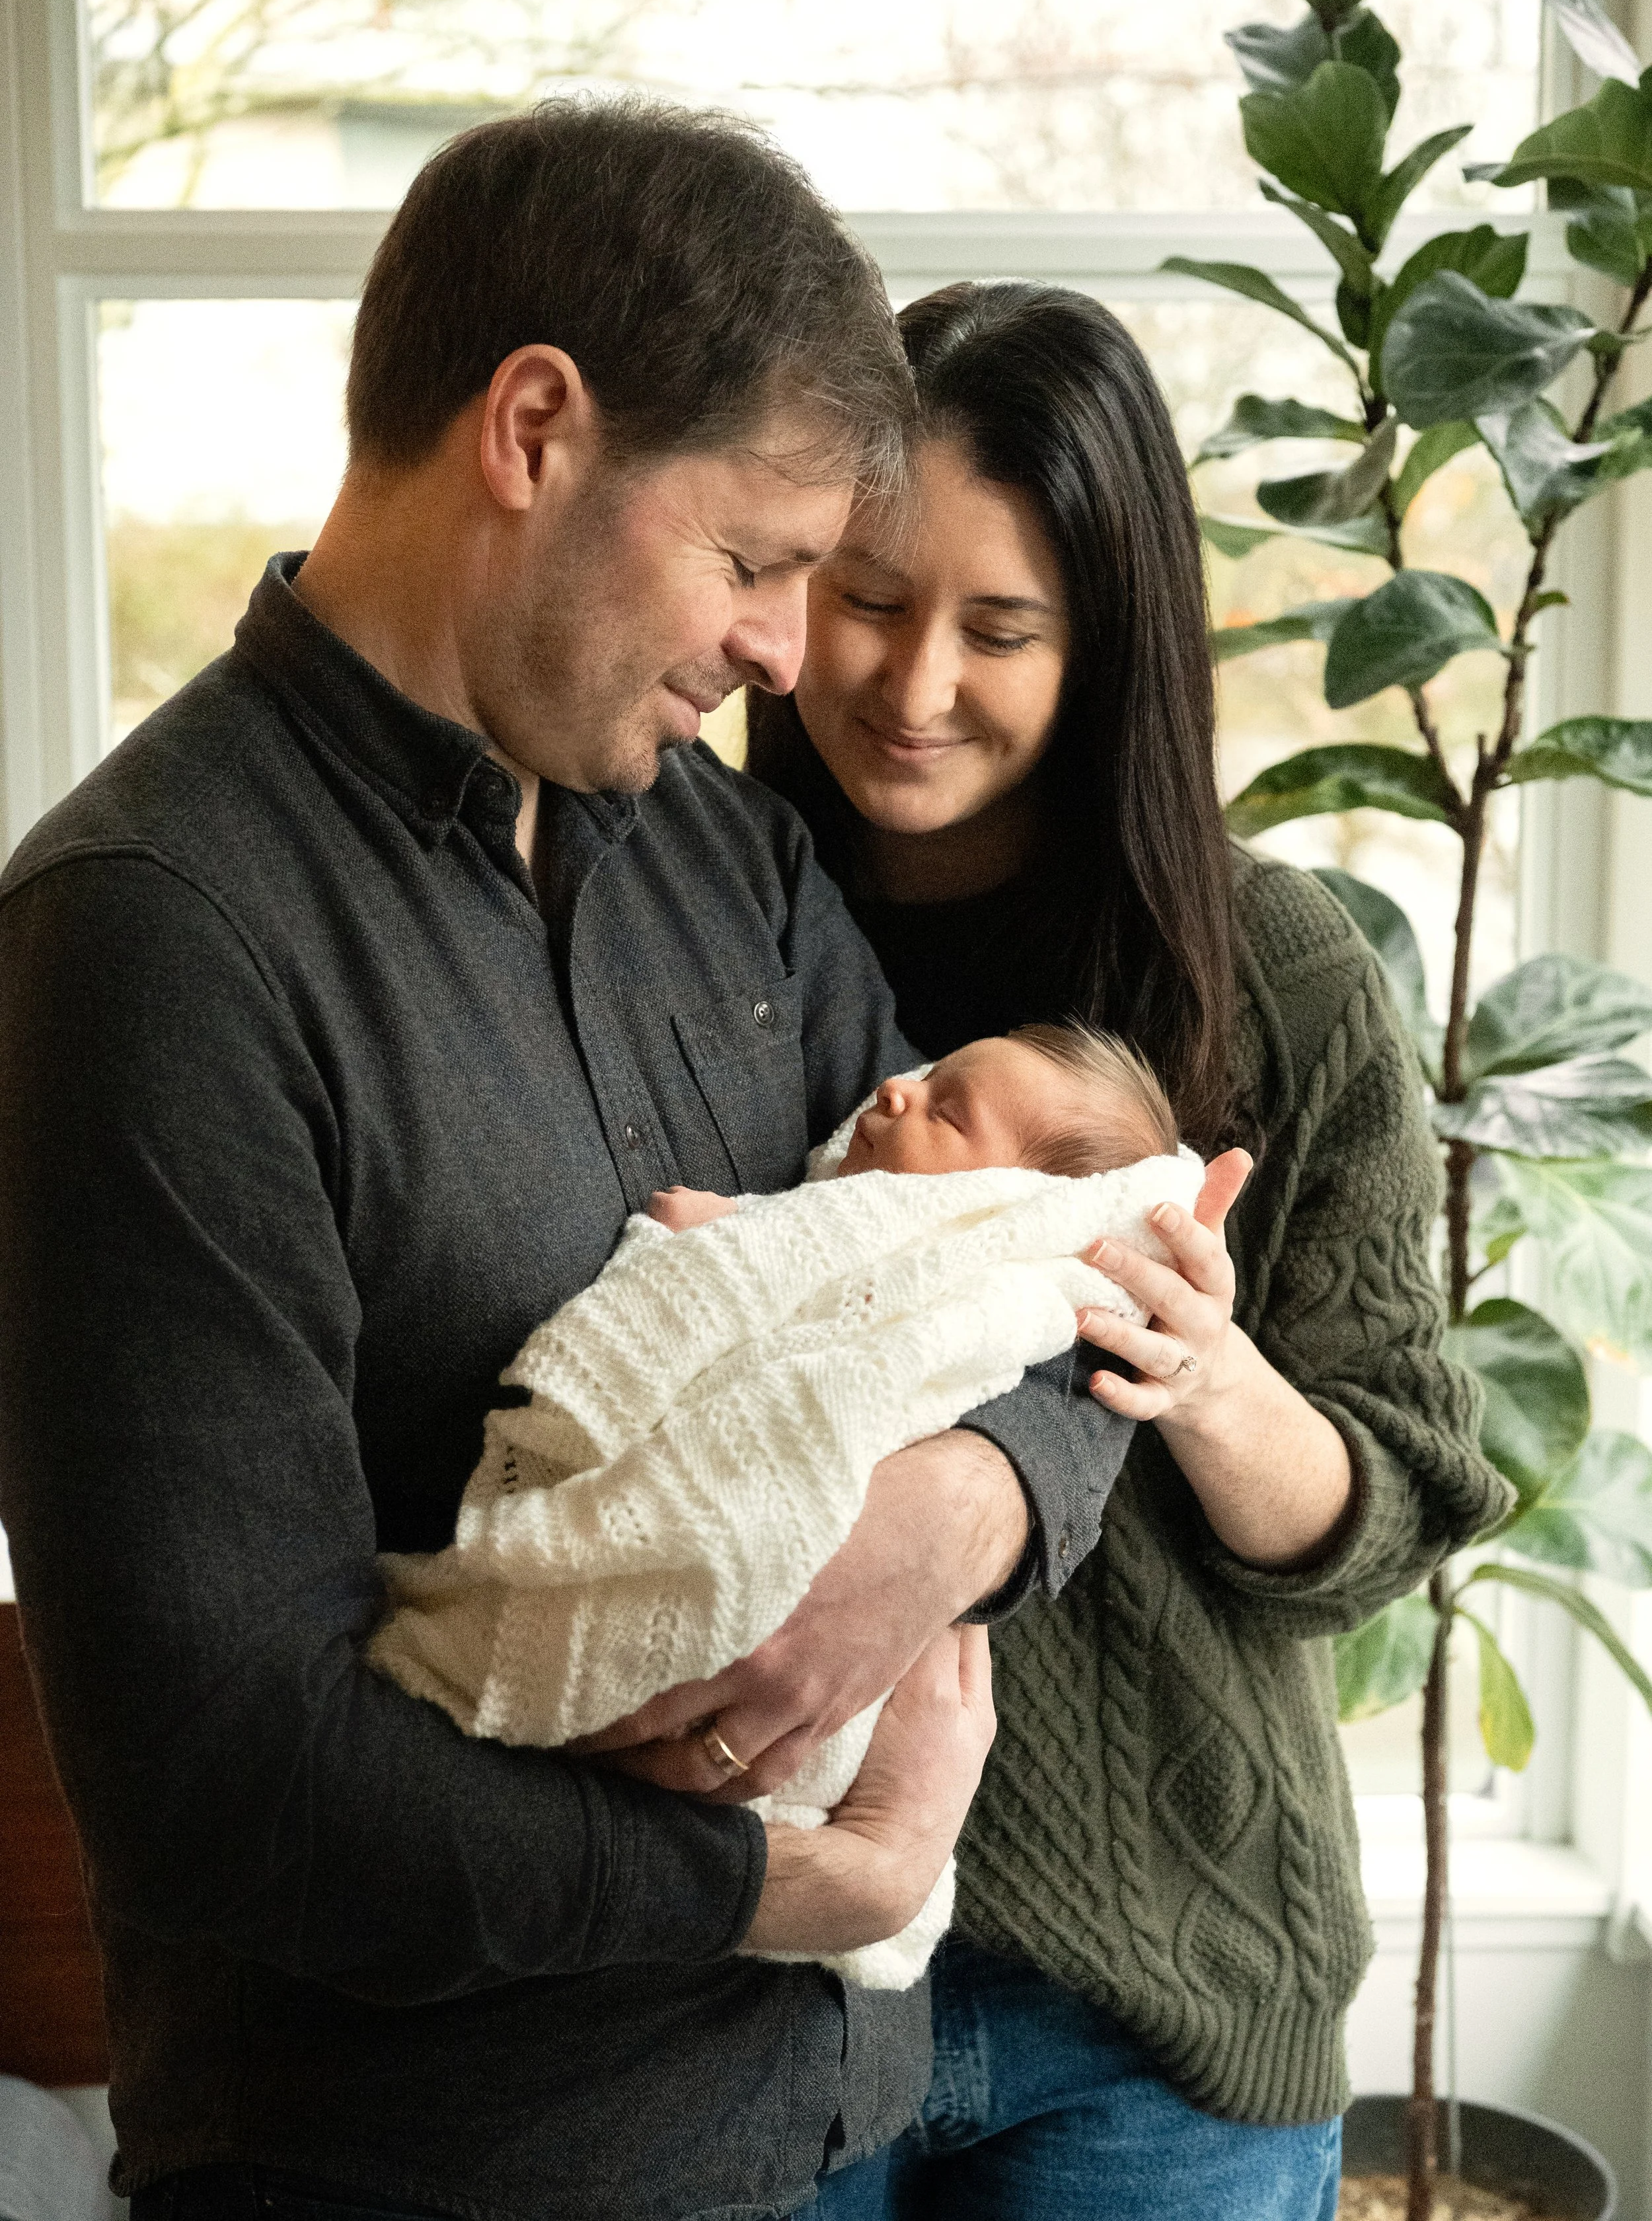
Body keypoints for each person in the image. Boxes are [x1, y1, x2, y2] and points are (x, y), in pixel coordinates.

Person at [0, 116, 1145, 2221]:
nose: (789, 653)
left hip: (827, 2139)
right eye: (755, 560)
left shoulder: (731, 855)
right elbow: (224, 1783)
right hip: (425, 2175)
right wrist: (785, 1882)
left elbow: (1035, 1260)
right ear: (533, 430)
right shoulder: (154, 938)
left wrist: (963, 1503)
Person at [743, 279, 1513, 2221]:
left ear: (1106, 646)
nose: (914, 683)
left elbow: (1392, 1508)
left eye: (1000, 629)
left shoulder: (1275, 980)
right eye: (867, 598)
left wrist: (1212, 1381)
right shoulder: (690, 935)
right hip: (750, 1997)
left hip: (1159, 2011)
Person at [365, 1026, 1195, 1997]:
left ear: (1006, 1205)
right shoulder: (844, 1220)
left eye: (948, 1109)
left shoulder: (976, 1279)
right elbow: (802, 1269)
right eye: (928, 1077)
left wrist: (716, 1244)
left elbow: (827, 1295)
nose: (895, 1090)